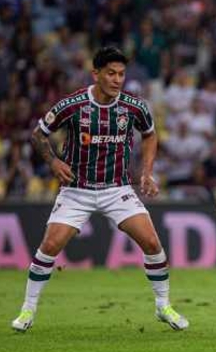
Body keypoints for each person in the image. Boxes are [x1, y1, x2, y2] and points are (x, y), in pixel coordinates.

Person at [11, 47, 188, 332]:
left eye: (121, 74)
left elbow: (150, 134)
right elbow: (38, 134)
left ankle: (163, 306)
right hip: (76, 190)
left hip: (117, 189)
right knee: (50, 246)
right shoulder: (73, 105)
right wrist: (54, 161)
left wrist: (147, 172)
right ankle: (27, 311)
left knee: (153, 244)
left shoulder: (134, 106)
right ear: (96, 74)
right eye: (111, 74)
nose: (117, 80)